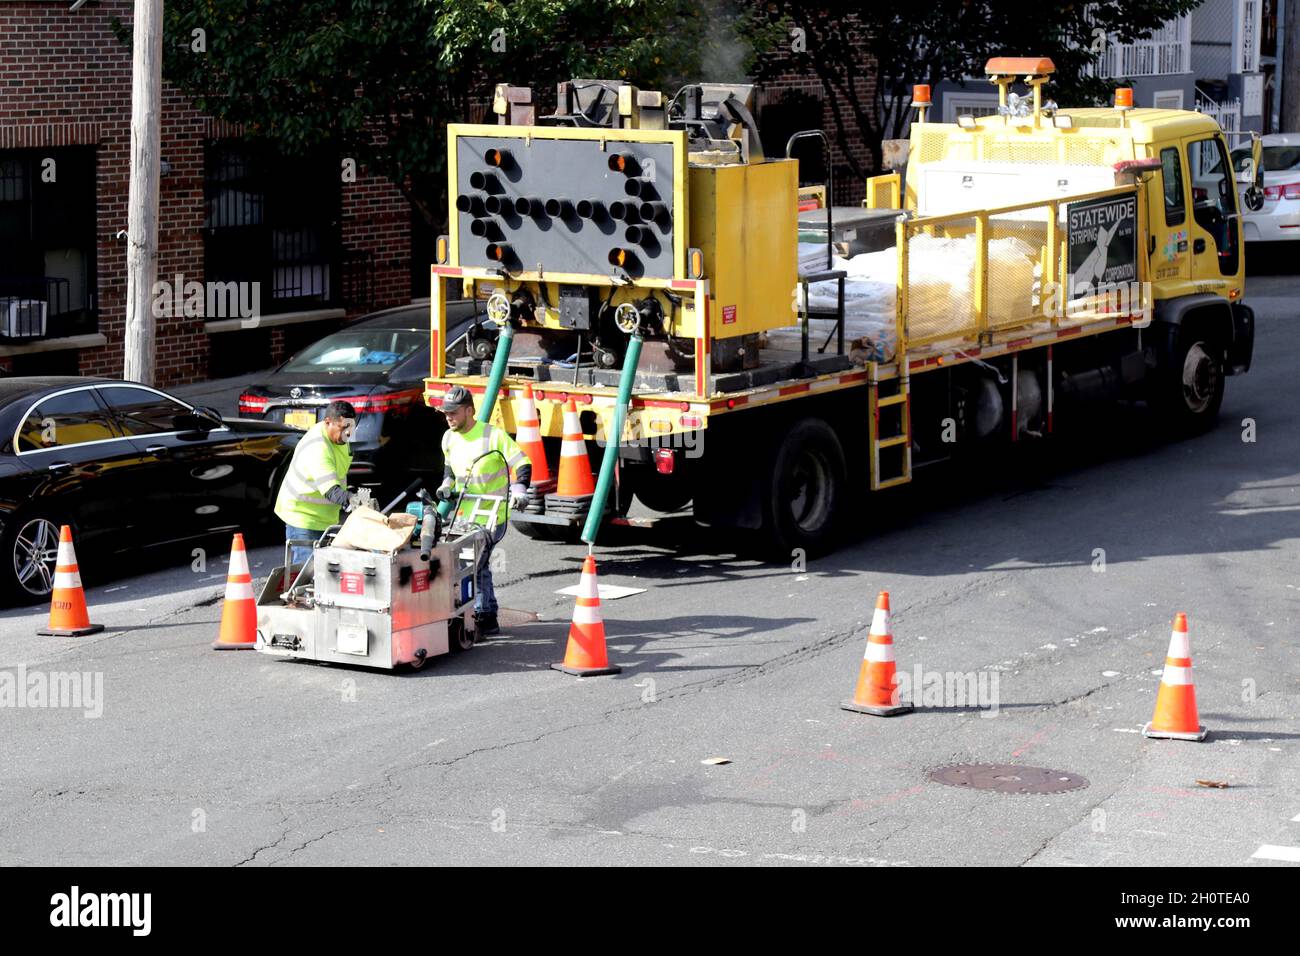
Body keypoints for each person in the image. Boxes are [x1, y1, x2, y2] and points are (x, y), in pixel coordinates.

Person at [437, 385, 530, 635]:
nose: (449, 417)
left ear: (469, 411)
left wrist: (520, 489)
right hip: (466, 515)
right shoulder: (449, 437)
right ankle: (488, 614)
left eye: (454, 413)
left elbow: (522, 462)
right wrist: (447, 484)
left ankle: (482, 614)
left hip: (492, 514)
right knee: (478, 565)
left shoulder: (492, 435)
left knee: (475, 564)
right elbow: (449, 468)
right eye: (446, 413)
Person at [274, 400, 357, 568]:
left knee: (324, 574)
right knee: (307, 574)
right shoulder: (318, 447)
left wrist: (351, 493)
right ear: (328, 422)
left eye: (351, 428)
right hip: (303, 516)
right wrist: (354, 500)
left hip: (323, 516)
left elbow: (338, 473)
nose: (347, 433)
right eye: (343, 428)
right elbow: (331, 491)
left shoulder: (340, 436)